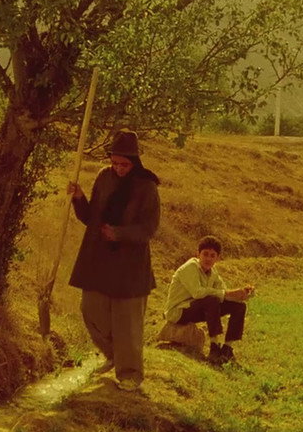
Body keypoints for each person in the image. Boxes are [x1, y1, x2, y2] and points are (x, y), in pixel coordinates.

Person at [67, 130, 161, 391]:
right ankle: (114, 356)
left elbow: (149, 228)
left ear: (135, 162)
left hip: (129, 265)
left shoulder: (147, 186)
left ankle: (130, 374)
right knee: (91, 309)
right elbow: (92, 217)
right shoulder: (103, 177)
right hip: (99, 261)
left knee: (127, 323)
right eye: (115, 163)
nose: (119, 168)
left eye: (124, 164)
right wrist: (79, 199)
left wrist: (119, 233)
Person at [163, 235, 255, 365]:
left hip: (197, 308)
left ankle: (227, 348)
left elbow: (223, 293)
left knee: (239, 307)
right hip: (179, 312)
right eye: (205, 254)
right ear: (198, 254)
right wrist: (227, 293)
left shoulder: (213, 272)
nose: (208, 258)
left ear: (218, 258)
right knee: (211, 300)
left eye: (212, 256)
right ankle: (214, 346)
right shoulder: (190, 267)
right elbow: (197, 293)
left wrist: (242, 294)